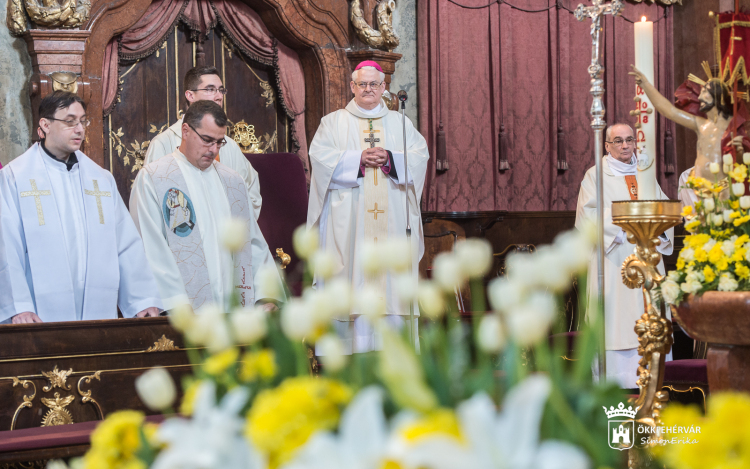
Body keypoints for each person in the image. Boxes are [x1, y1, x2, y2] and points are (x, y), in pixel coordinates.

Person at [0, 91, 162, 324]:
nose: (79, 129)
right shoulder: (14, 178)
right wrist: (19, 307)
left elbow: (125, 244)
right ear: (45, 124)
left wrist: (142, 299)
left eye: (82, 121)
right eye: (69, 121)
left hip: (96, 313)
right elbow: (6, 248)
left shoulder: (101, 179)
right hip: (35, 314)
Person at [307, 60, 429, 353]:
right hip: (350, 222)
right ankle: (347, 351)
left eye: (374, 84)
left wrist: (389, 158)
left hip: (393, 224)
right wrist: (357, 159)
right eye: (362, 84)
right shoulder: (333, 122)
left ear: (384, 88)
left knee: (392, 284)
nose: (368, 89)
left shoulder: (401, 124)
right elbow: (320, 159)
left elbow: (419, 158)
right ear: (352, 86)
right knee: (351, 278)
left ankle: (395, 350)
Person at [130, 100, 284, 313]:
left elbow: (252, 243)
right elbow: (150, 247)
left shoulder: (233, 181)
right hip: (182, 313)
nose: (213, 150)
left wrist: (266, 295)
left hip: (235, 313)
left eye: (220, 142)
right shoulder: (155, 178)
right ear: (185, 130)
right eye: (207, 140)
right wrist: (175, 303)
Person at [575, 122, 674, 389]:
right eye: (618, 141)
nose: (625, 146)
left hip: (648, 261)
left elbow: (663, 209)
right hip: (614, 262)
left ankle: (654, 388)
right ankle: (615, 389)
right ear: (606, 146)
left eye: (629, 140)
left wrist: (659, 231)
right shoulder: (595, 176)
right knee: (616, 324)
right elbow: (587, 218)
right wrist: (625, 223)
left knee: (651, 325)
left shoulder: (645, 174)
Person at [140, 65, 262, 220]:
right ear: (190, 95)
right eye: (210, 89)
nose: (218, 96)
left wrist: (238, 226)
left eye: (221, 90)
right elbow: (152, 201)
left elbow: (251, 190)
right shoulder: (164, 143)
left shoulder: (230, 146)